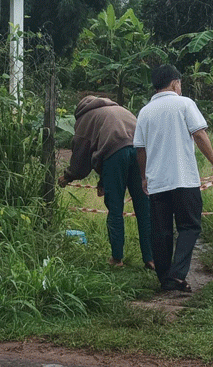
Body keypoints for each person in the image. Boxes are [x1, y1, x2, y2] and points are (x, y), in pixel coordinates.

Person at [134, 65, 213, 292]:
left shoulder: (145, 111)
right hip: (184, 179)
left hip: (157, 182)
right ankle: (176, 275)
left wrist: (144, 177)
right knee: (189, 226)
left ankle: (165, 278)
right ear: (175, 83)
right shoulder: (184, 104)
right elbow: (199, 134)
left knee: (161, 230)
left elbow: (140, 149)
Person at [59, 96, 154, 269]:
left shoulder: (85, 118)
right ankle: (151, 258)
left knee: (115, 208)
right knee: (143, 207)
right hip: (140, 152)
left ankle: (117, 259)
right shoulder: (120, 109)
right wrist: (103, 180)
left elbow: (81, 158)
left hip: (115, 154)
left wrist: (68, 177)